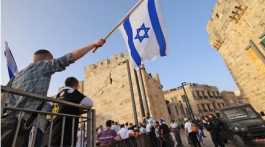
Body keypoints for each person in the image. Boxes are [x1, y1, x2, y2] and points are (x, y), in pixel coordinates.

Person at [1, 39, 105, 147]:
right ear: (46, 59)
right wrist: (93, 45)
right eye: (51, 60)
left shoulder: (18, 75)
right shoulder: (43, 66)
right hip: (25, 124)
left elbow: (4, 97)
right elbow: (68, 58)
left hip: (8, 121)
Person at [47, 77, 93, 147]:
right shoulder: (71, 91)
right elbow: (89, 103)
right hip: (67, 129)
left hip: (55, 128)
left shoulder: (58, 94)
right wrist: (79, 108)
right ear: (75, 84)